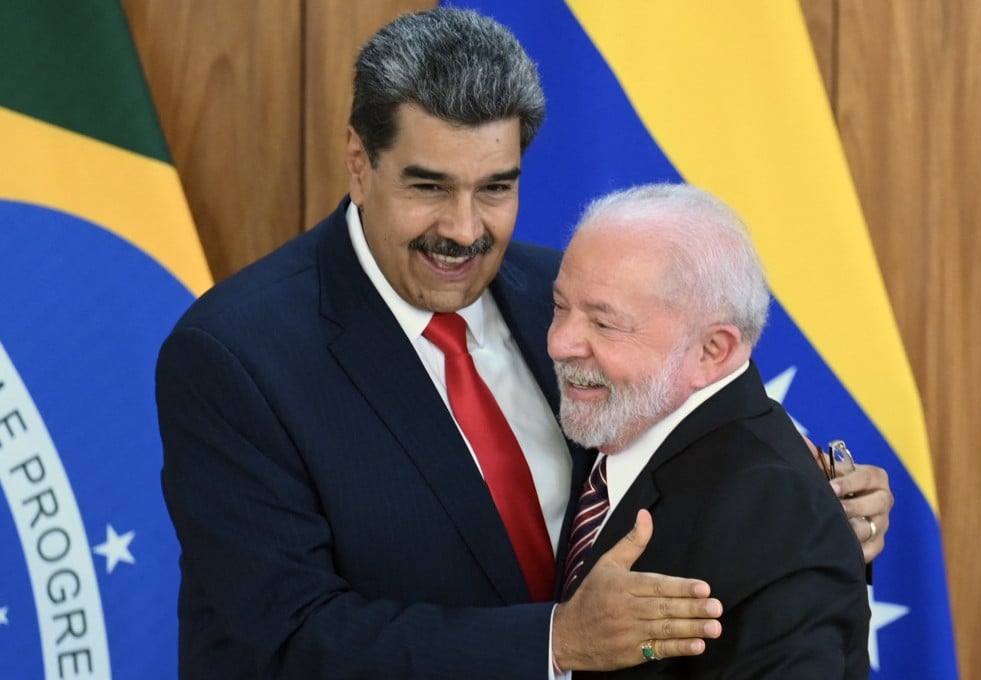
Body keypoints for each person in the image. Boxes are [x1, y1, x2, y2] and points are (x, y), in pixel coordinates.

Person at [155, 7, 889, 679]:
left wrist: (813, 510)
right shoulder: (234, 355)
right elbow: (289, 637)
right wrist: (553, 644)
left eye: (495, 189)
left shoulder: (564, 296)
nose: (463, 230)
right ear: (359, 162)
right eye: (429, 188)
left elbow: (706, 441)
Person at [548, 183, 870, 677]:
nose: (560, 343)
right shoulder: (620, 415)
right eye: (558, 307)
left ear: (712, 350)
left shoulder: (773, 510)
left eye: (605, 325)